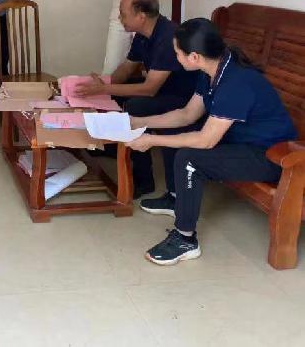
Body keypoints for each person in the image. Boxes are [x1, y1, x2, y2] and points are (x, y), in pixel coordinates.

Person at [127, 18, 297, 265]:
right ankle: (176, 198)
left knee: (189, 158)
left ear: (194, 57)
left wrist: (151, 139)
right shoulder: (212, 71)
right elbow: (187, 115)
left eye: (178, 53)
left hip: (271, 156)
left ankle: (185, 239)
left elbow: (206, 141)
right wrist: (137, 122)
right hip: (240, 142)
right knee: (179, 131)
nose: (175, 57)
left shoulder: (236, 82)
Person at [76, 0, 198, 198]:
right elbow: (126, 68)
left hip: (182, 98)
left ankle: (144, 179)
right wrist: (103, 84)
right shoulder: (142, 35)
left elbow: (149, 89)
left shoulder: (167, 37)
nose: (120, 18)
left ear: (141, 16)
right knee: (115, 95)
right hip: (161, 89)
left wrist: (104, 88)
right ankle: (116, 146)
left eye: (123, 14)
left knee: (136, 106)